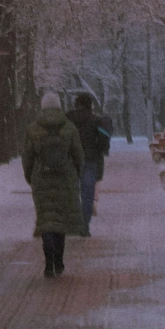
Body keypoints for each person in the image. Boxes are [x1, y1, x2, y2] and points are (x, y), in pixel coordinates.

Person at [21, 90, 87, 277]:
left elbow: (27, 158)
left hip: (41, 179)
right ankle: (59, 261)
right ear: (59, 107)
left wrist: (31, 177)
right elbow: (78, 155)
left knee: (47, 221)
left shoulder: (33, 129)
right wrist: (74, 175)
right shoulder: (69, 128)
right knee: (60, 220)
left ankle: (48, 263)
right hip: (65, 179)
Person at [68, 92, 112, 232]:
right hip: (90, 159)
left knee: (72, 192)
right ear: (90, 105)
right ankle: (84, 225)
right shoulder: (95, 120)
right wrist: (99, 150)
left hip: (71, 160)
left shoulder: (68, 119)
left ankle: (72, 222)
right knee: (87, 194)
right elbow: (104, 138)